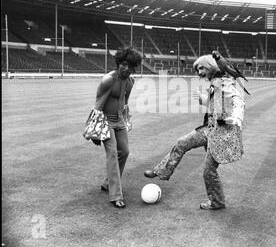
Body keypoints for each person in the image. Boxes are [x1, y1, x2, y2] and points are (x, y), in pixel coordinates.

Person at [144, 54, 245, 210]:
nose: (199, 72)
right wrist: (204, 99)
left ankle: (217, 202)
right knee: (182, 143)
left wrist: (237, 118)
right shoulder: (215, 82)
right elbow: (217, 105)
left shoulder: (225, 82)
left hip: (221, 134)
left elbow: (238, 100)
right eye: (198, 69)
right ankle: (161, 171)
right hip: (209, 129)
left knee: (208, 171)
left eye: (202, 68)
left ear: (211, 66)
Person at [94, 47, 141, 208]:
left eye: (131, 67)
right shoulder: (108, 80)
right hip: (106, 121)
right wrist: (95, 132)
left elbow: (125, 103)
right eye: (124, 64)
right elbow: (98, 105)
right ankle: (116, 195)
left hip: (119, 121)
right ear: (119, 63)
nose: (127, 69)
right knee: (113, 153)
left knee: (125, 152)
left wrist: (125, 121)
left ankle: (108, 183)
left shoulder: (130, 81)